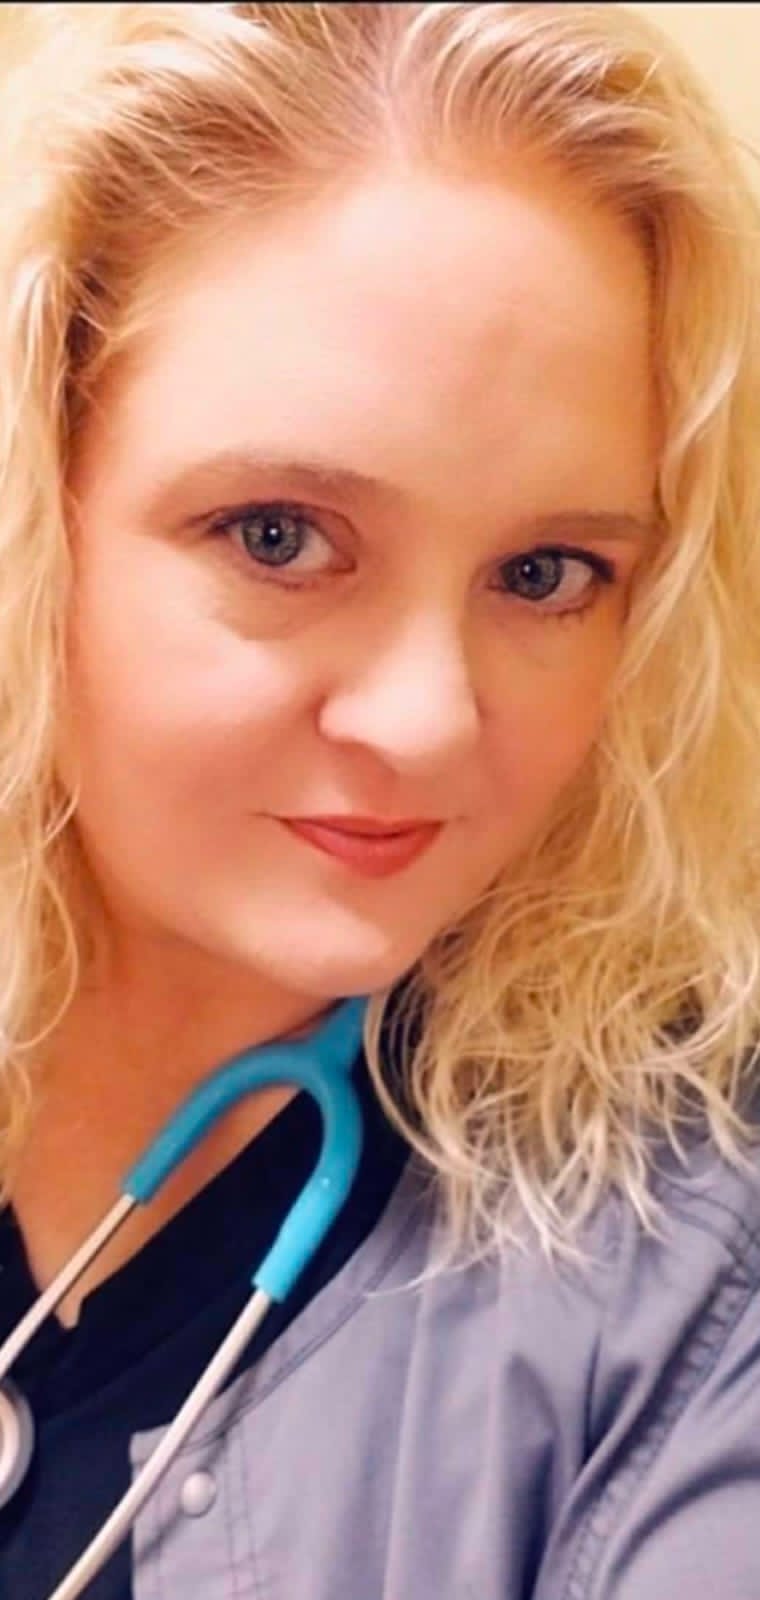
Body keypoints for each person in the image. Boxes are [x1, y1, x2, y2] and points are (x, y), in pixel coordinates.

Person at [1, 0, 760, 1594]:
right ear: (35, 509)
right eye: (280, 537)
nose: (426, 721)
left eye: (547, 574)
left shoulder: (698, 1281)